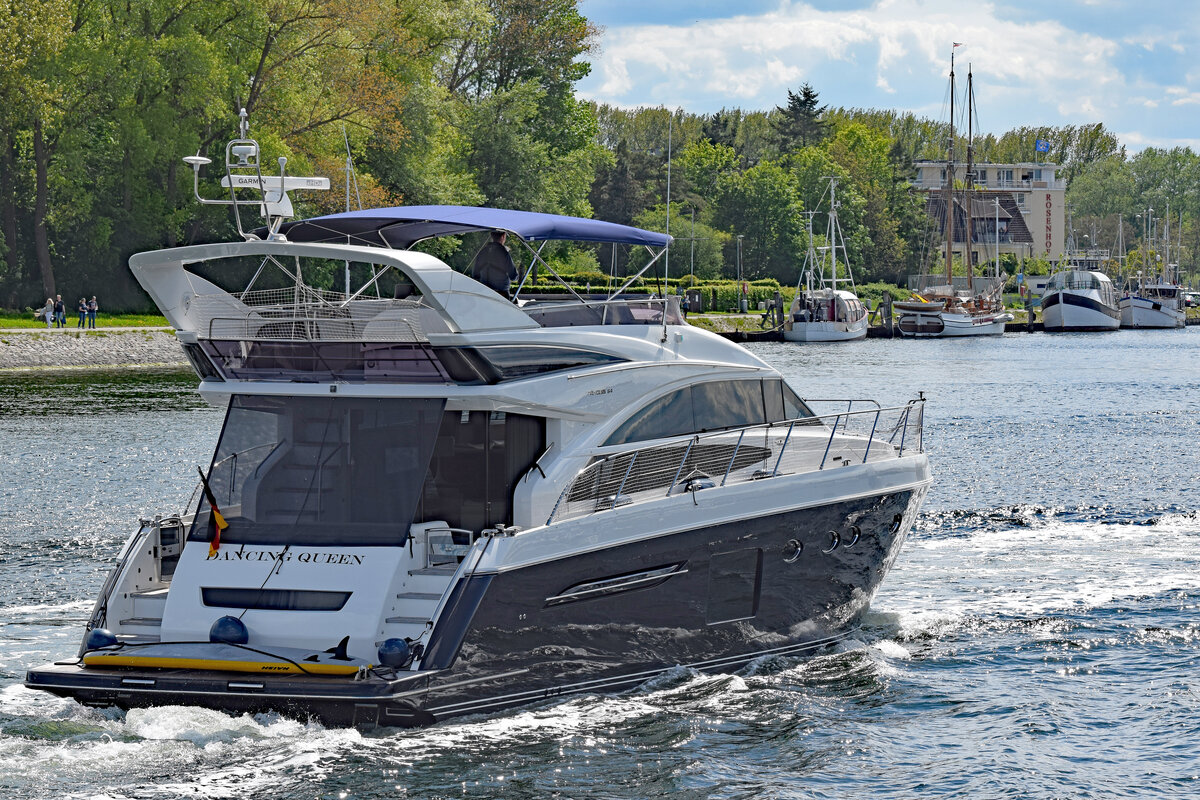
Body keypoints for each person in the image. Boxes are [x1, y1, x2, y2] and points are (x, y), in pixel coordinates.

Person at [470, 230, 518, 298]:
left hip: (485, 293)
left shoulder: (483, 251)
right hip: (501, 293)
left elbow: (475, 274)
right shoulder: (504, 252)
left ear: (491, 236)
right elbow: (513, 276)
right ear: (503, 236)